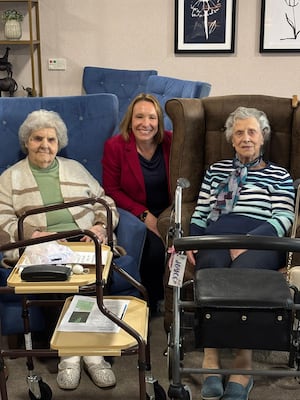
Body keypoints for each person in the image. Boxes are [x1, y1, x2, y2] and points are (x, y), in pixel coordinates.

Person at [0, 109, 118, 391]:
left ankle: (86, 353)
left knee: (97, 276)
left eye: (51, 139)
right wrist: (36, 234)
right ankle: (75, 356)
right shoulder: (10, 178)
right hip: (38, 247)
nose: (45, 145)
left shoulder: (75, 168)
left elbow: (106, 201)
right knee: (58, 278)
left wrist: (101, 228)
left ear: (59, 142)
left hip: (83, 241)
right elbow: (1, 218)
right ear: (26, 142)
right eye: (37, 138)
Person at [186, 106, 295, 400]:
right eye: (239, 132)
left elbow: (284, 218)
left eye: (252, 132)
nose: (246, 138)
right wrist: (195, 241)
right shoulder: (215, 171)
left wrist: (248, 241)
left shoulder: (280, 175)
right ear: (231, 139)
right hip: (217, 234)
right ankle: (211, 359)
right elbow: (201, 213)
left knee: (245, 274)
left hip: (262, 240)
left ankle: (242, 365)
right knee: (211, 267)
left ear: (263, 138)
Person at [102, 93, 172, 314]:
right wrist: (144, 215)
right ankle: (149, 303)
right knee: (153, 250)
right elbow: (112, 189)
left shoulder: (172, 142)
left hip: (168, 209)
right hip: (134, 210)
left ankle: (176, 301)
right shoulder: (115, 146)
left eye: (152, 118)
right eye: (139, 117)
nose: (146, 123)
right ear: (130, 121)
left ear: (159, 121)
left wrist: (167, 217)